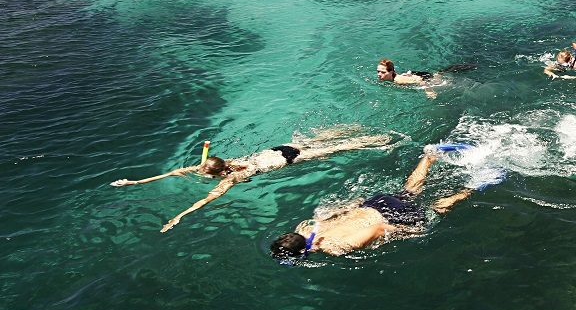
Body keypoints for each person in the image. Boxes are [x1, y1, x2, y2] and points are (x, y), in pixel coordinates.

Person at [110, 126, 395, 232]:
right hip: (278, 148)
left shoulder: (231, 179)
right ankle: (352, 129)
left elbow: (204, 201)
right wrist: (136, 182)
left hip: (286, 160)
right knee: (315, 141)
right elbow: (173, 172)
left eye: (205, 174)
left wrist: (179, 217)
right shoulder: (227, 163)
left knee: (333, 150)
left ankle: (375, 140)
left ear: (219, 173)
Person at [270, 150, 474, 261]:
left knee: (433, 211)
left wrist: (411, 232)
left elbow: (379, 228)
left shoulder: (335, 248)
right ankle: (429, 157)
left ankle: (469, 190)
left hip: (390, 216)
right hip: (373, 204)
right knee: (409, 191)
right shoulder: (303, 229)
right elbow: (329, 213)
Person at [376, 58, 476, 98]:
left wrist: (428, 91)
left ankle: (469, 66)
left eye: (383, 72)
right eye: (378, 71)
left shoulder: (399, 80)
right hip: (415, 74)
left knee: (444, 78)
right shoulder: (394, 78)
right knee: (441, 73)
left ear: (392, 72)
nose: (379, 74)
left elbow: (421, 81)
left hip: (425, 79)